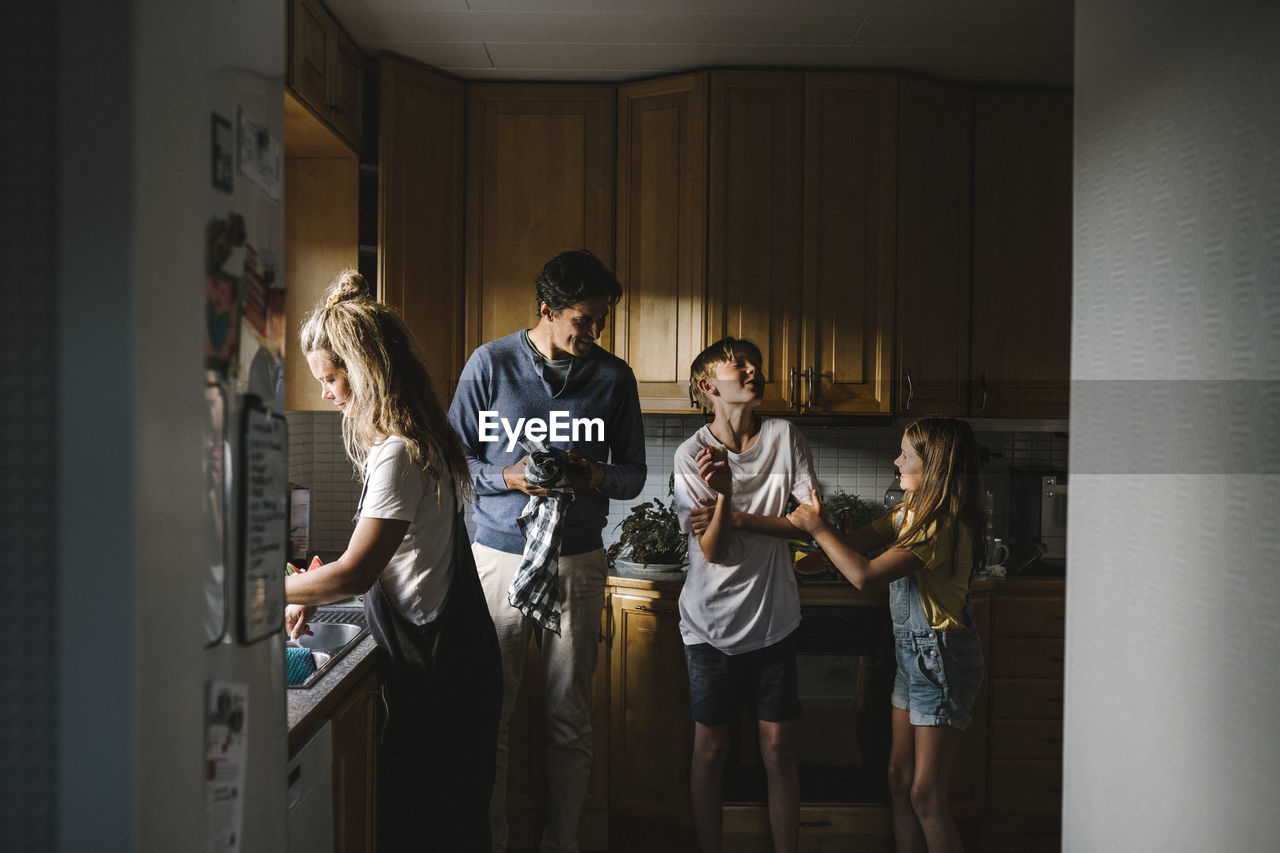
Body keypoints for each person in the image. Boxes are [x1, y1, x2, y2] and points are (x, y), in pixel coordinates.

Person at [285, 270, 501, 853]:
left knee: (431, 829)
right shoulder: (414, 441)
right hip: (453, 665)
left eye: (332, 379)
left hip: (442, 677)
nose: (328, 393)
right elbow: (392, 562)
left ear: (364, 372)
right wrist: (309, 586)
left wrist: (267, 591)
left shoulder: (399, 454)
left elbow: (357, 571)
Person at [447, 249, 646, 853]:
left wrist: (595, 475)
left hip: (578, 559)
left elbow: (634, 476)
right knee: (493, 715)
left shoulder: (614, 377)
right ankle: (493, 842)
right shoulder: (492, 363)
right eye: (583, 321)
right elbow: (453, 461)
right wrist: (510, 478)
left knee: (570, 718)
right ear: (547, 310)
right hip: (499, 556)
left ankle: (563, 844)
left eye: (601, 321)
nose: (594, 334)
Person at [786, 417, 986, 853]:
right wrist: (819, 529)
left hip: (940, 661)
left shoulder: (938, 526)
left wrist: (817, 530)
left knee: (926, 795)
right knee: (899, 779)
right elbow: (855, 544)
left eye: (905, 455)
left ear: (932, 467)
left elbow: (864, 574)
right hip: (913, 657)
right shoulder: (908, 512)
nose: (896, 461)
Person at [674, 337, 817, 853]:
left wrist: (733, 515)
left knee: (779, 751)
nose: (755, 370)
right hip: (708, 625)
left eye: (755, 363)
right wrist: (726, 500)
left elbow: (810, 526)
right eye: (740, 364)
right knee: (710, 750)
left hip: (774, 618)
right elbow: (712, 550)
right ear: (708, 385)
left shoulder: (784, 436)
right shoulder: (691, 454)